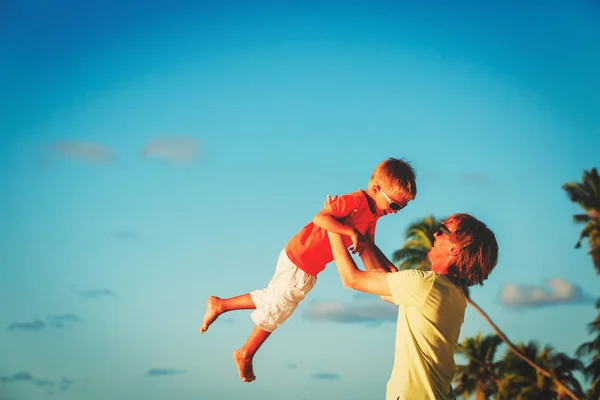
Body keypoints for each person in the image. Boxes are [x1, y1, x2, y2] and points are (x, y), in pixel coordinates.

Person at [199, 158, 417, 382]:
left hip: (309, 265)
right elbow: (320, 218)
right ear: (376, 189)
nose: (396, 211)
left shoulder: (373, 214)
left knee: (275, 298)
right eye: (395, 205)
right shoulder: (355, 201)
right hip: (301, 257)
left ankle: (221, 304)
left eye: (402, 207)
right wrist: (349, 230)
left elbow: (369, 245)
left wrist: (389, 268)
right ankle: (246, 353)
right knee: (280, 306)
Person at [328, 212, 499, 400]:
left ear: (455, 249)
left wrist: (332, 228)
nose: (435, 234)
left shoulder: (427, 285)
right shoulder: (452, 295)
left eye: (442, 231)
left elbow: (351, 279)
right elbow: (386, 287)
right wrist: (366, 243)